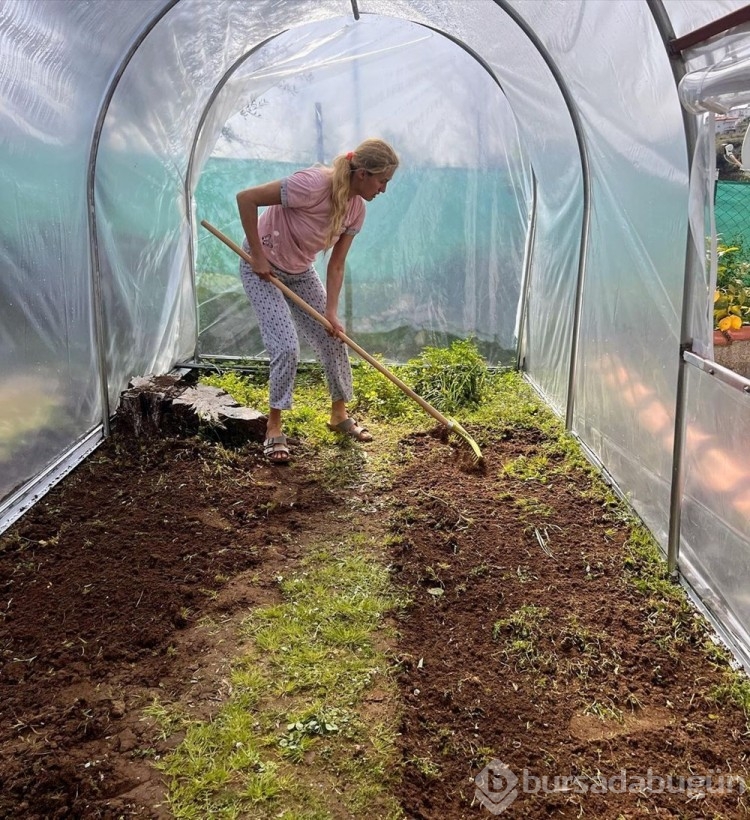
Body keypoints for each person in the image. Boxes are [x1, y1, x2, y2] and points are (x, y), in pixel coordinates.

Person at [236, 137, 399, 463]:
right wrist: (257, 255)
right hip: (262, 268)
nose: (384, 189)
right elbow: (246, 198)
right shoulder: (310, 185)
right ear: (364, 173)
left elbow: (336, 264)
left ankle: (338, 416)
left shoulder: (356, 210)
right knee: (285, 346)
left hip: (299, 271)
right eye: (383, 181)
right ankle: (273, 426)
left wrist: (332, 313)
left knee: (333, 336)